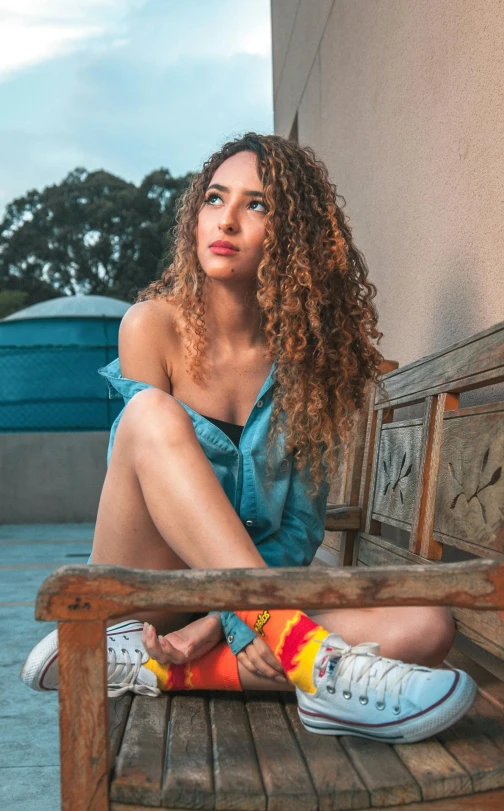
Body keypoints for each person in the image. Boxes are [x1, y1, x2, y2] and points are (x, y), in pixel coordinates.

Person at [21, 132, 476, 743]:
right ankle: (308, 657)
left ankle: (175, 672)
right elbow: (142, 467)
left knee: (426, 628)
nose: (227, 219)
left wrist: (225, 617)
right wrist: (258, 617)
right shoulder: (151, 327)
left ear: (294, 238)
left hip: (248, 599)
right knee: (152, 414)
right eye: (215, 198)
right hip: (148, 589)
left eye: (257, 205)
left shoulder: (314, 359)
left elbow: (300, 528)